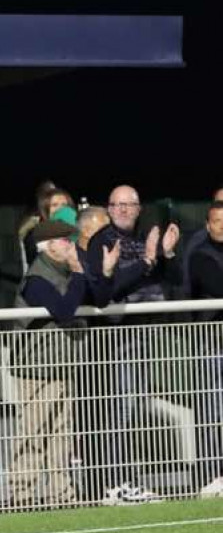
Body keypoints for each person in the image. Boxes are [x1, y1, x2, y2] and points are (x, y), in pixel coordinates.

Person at [86, 184, 180, 504]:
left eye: (131, 204)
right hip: (114, 340)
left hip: (142, 338)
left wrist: (165, 255)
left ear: (139, 209)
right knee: (117, 411)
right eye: (118, 205)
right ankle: (114, 483)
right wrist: (147, 261)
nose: (124, 209)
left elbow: (174, 282)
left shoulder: (144, 240)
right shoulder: (102, 241)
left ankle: (126, 478)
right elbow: (105, 290)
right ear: (109, 209)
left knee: (131, 410)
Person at [8, 219, 94, 506]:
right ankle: (21, 495)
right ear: (48, 247)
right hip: (36, 370)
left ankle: (62, 493)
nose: (70, 245)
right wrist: (81, 272)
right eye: (64, 241)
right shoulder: (36, 278)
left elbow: (101, 295)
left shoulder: (66, 271)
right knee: (33, 434)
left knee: (61, 433)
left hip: (62, 366)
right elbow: (64, 310)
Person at [186, 200, 223, 497]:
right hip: (211, 343)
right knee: (211, 410)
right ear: (208, 225)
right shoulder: (200, 255)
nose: (222, 225)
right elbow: (216, 284)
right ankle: (211, 476)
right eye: (216, 220)